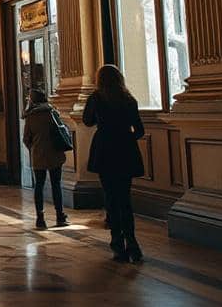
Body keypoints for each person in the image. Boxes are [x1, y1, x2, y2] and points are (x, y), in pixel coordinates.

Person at [83, 64, 146, 262]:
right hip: (125, 152)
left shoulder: (96, 98)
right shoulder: (129, 100)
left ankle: (117, 243)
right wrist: (125, 139)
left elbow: (87, 121)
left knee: (111, 198)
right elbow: (140, 130)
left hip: (105, 151)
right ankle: (132, 243)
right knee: (125, 199)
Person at [23, 87, 69, 229]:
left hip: (38, 155)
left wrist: (34, 148)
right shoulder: (52, 112)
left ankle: (40, 218)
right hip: (55, 153)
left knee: (39, 186)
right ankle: (60, 216)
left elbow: (26, 139)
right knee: (56, 184)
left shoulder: (30, 117)